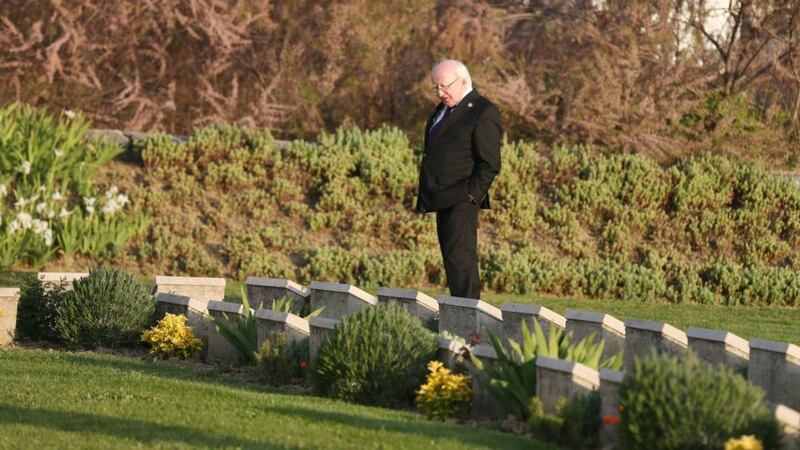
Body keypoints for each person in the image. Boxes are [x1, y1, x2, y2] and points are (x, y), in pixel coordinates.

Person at [416, 59, 502, 300]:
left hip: (462, 197)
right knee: (451, 258)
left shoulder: (483, 111)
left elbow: (490, 164)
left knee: (461, 259)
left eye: (444, 86)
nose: (440, 93)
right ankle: (458, 311)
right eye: (436, 87)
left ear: (463, 80)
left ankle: (467, 318)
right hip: (441, 196)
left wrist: (470, 195)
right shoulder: (442, 109)